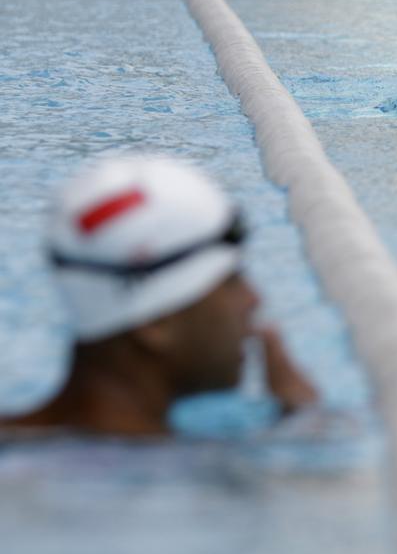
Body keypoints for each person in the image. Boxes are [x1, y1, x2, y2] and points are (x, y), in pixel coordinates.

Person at [2, 156, 318, 436]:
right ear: (155, 323)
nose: (254, 299)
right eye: (231, 283)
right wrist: (306, 423)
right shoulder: (185, 481)